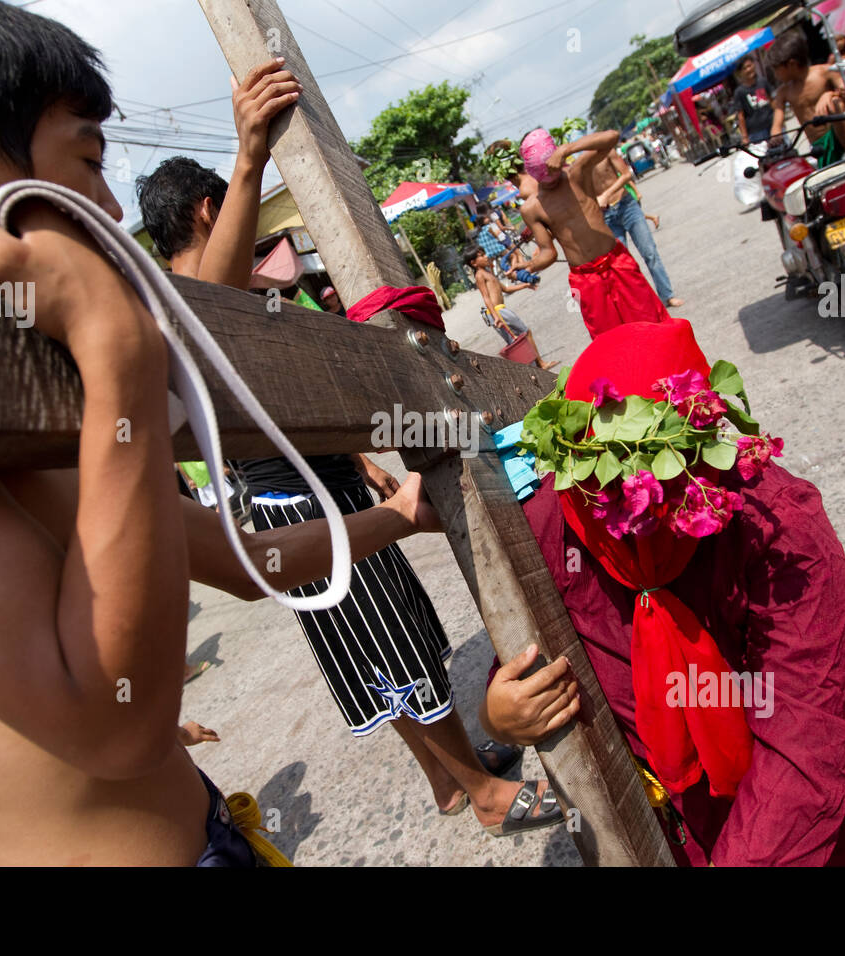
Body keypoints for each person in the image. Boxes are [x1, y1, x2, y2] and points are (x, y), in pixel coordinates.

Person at [0, 0, 448, 868]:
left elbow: (249, 566)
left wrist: (402, 512)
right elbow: (117, 729)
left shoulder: (22, 403)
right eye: (88, 160)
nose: (108, 204)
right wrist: (116, 344)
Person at [138, 153, 563, 837]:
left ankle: (445, 782)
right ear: (209, 213)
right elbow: (208, 328)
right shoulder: (195, 306)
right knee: (401, 649)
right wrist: (249, 159)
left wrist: (361, 462)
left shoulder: (209, 300)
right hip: (308, 508)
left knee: (377, 657)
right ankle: (484, 792)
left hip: (308, 493)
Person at [481, 319, 845, 867]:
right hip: (695, 825)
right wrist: (500, 715)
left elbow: (811, 733)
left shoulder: (770, 521)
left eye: (648, 487)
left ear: (701, 459)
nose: (625, 510)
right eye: (603, 487)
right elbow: (522, 653)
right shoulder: (561, 519)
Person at [488, 130, 670, 340]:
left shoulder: (577, 174)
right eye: (545, 174)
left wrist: (567, 149)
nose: (552, 178)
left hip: (617, 262)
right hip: (586, 279)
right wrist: (531, 265)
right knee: (611, 343)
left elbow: (611, 137)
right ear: (532, 172)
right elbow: (549, 251)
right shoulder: (532, 208)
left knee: (653, 327)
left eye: (554, 169)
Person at [591, 149, 683, 310]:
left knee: (649, 253)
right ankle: (641, 305)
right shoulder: (579, 165)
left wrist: (607, 194)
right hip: (606, 215)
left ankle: (667, 295)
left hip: (626, 205)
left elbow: (626, 174)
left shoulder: (605, 151)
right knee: (622, 265)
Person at [767, 30, 845, 163]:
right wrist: (775, 135)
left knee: (836, 102)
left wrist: (830, 94)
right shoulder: (784, 91)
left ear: (791, 64)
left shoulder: (825, 72)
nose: (775, 74)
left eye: (776, 68)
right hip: (817, 146)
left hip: (840, 137)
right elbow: (777, 122)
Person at [463, 244, 557, 370]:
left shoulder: (488, 273)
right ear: (473, 263)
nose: (486, 257)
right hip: (497, 312)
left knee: (517, 340)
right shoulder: (480, 275)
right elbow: (486, 298)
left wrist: (525, 285)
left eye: (484, 254)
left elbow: (506, 289)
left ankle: (535, 366)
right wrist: (496, 316)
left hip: (500, 310)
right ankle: (540, 364)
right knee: (524, 334)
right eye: (481, 256)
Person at [731, 56, 774, 145]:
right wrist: (745, 137)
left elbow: (772, 101)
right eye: (744, 68)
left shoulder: (763, 82)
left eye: (749, 66)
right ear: (740, 73)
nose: (748, 70)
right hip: (756, 132)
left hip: (772, 124)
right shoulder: (739, 92)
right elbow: (741, 116)